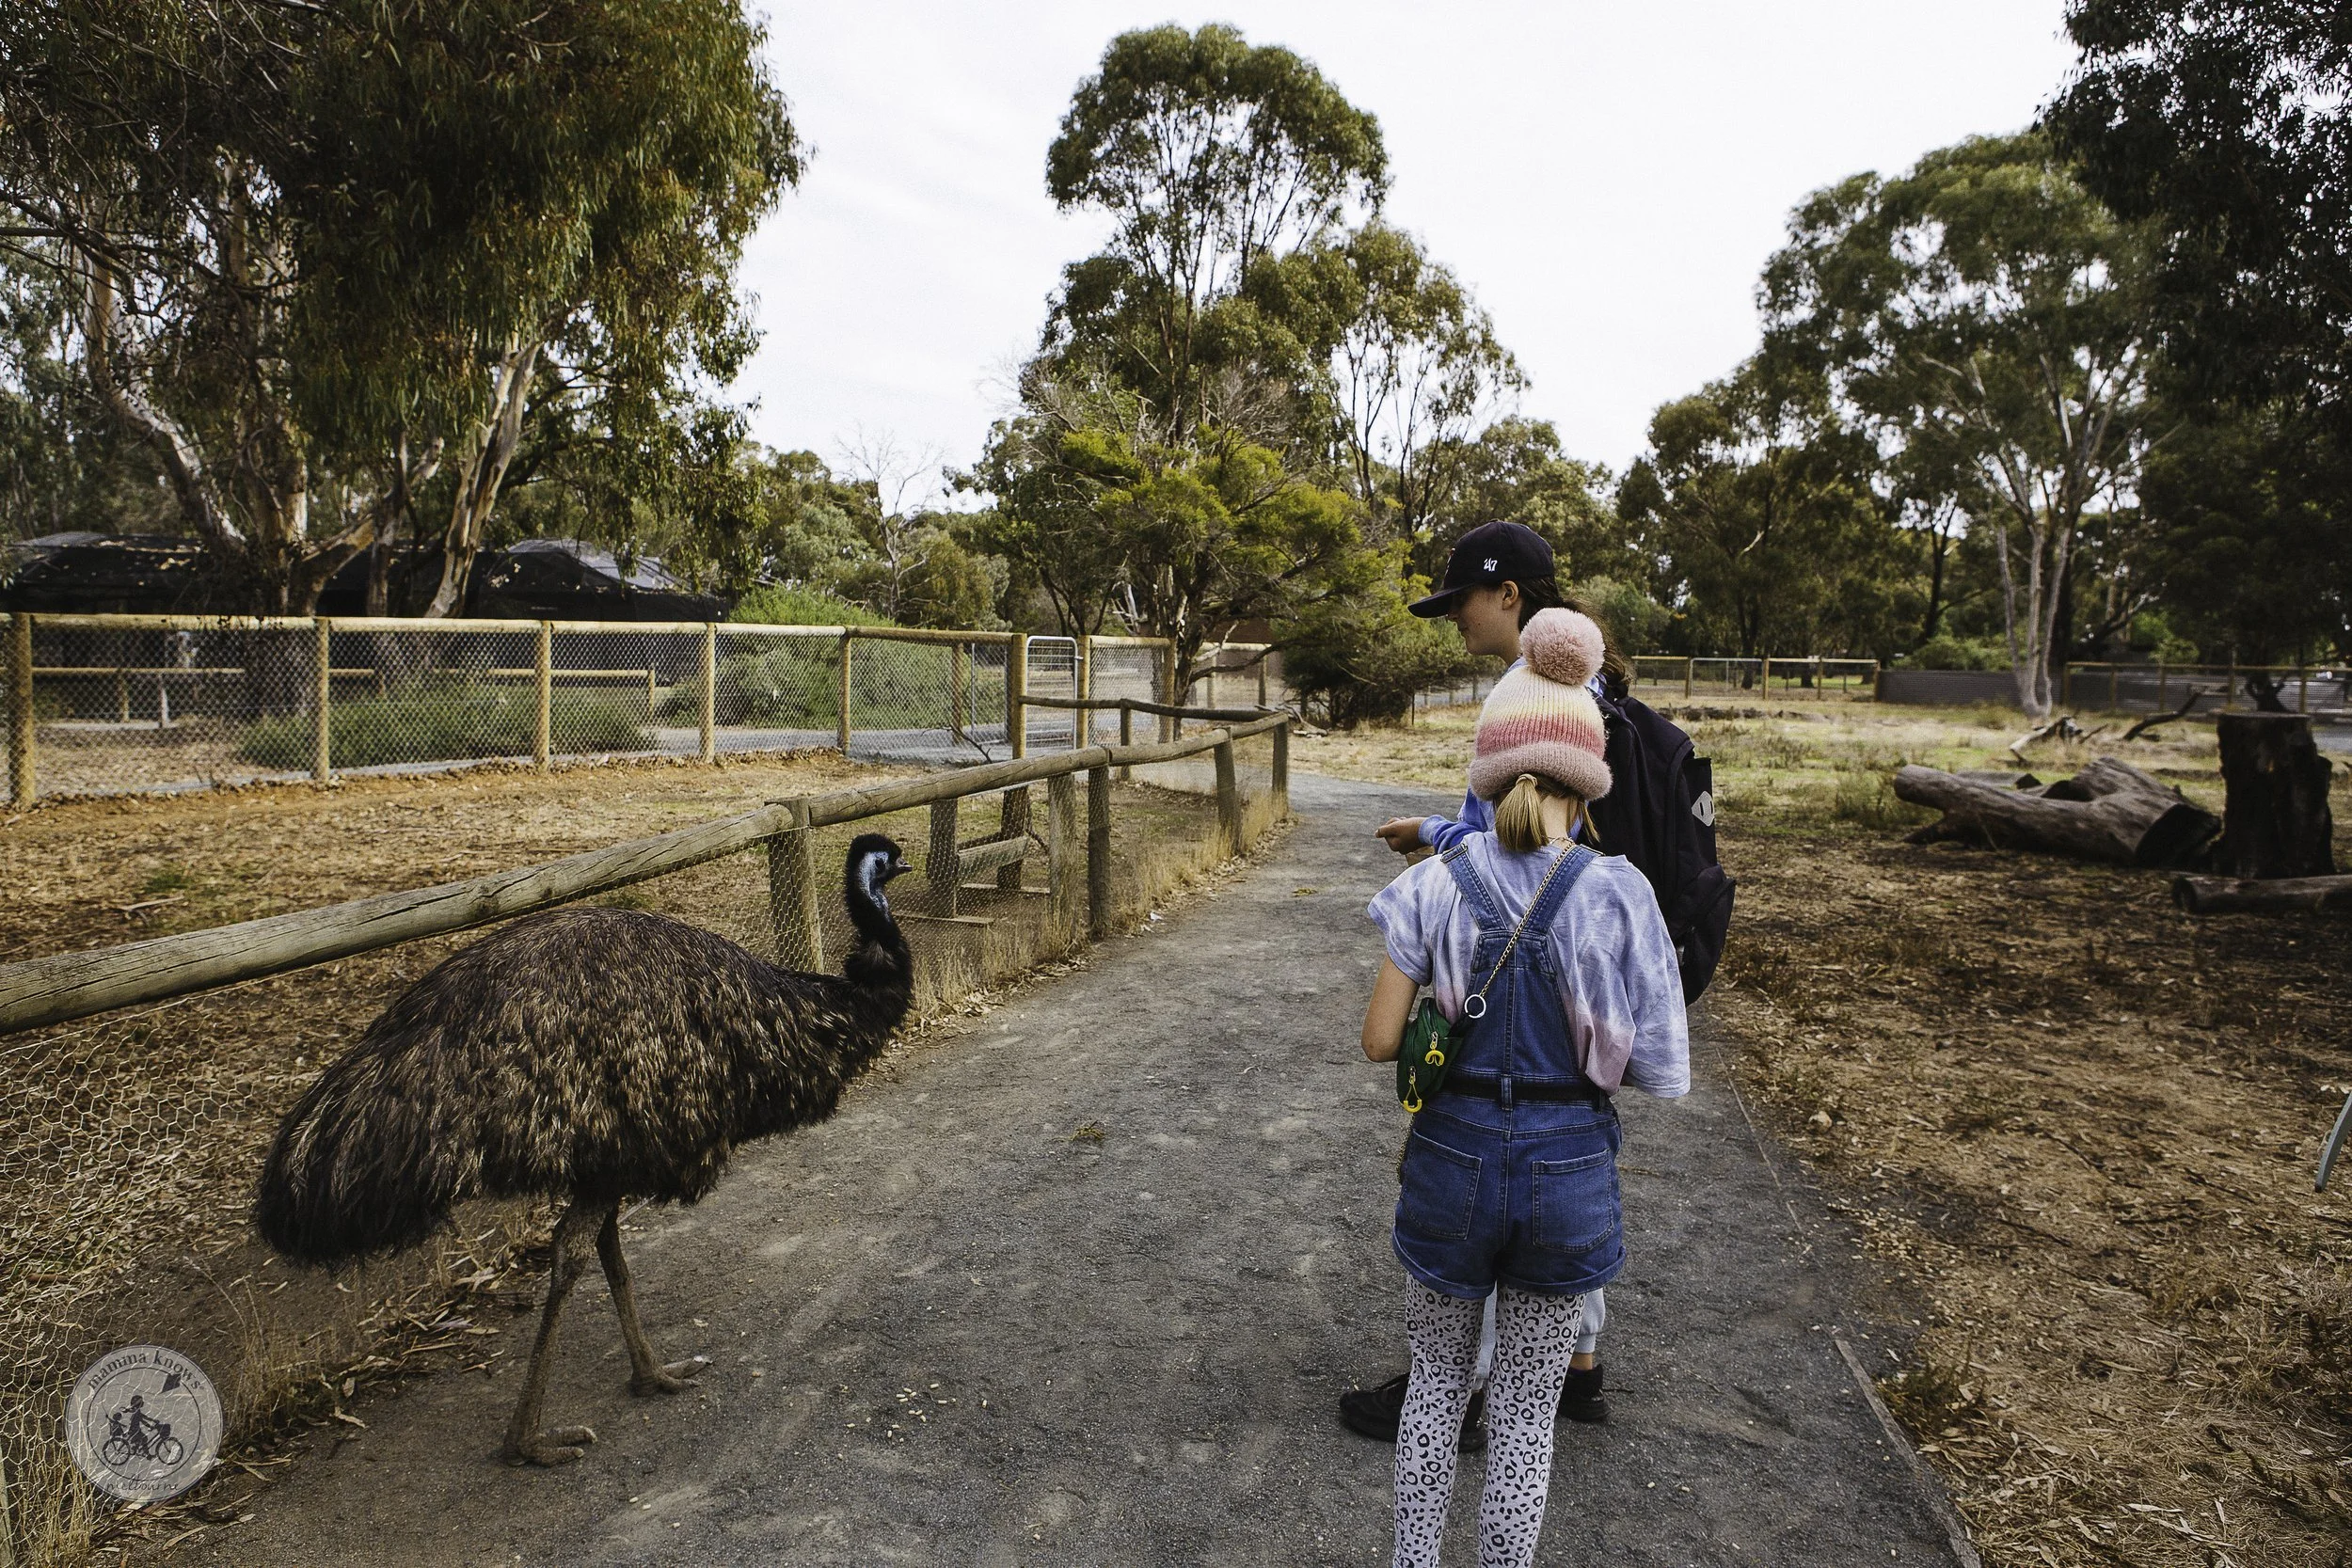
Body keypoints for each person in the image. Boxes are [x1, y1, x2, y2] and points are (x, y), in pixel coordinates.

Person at [1343, 520, 1731, 1441]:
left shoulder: (1539, 695)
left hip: (1541, 972)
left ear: (1508, 594)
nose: (1455, 617)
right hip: (1589, 978)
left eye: (1463, 599)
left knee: (1504, 1148)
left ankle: (1466, 1386)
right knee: (1564, 1157)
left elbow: (1515, 851)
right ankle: (1577, 1367)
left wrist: (1438, 841)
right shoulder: (1587, 685)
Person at [1360, 605, 1689, 1568]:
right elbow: (1658, 1067)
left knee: (1434, 1387)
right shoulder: (1618, 892)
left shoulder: (1433, 883)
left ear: (1489, 770)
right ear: (1585, 784)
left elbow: (1379, 1041)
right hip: (1567, 1173)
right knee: (1525, 1414)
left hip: (1450, 1163)